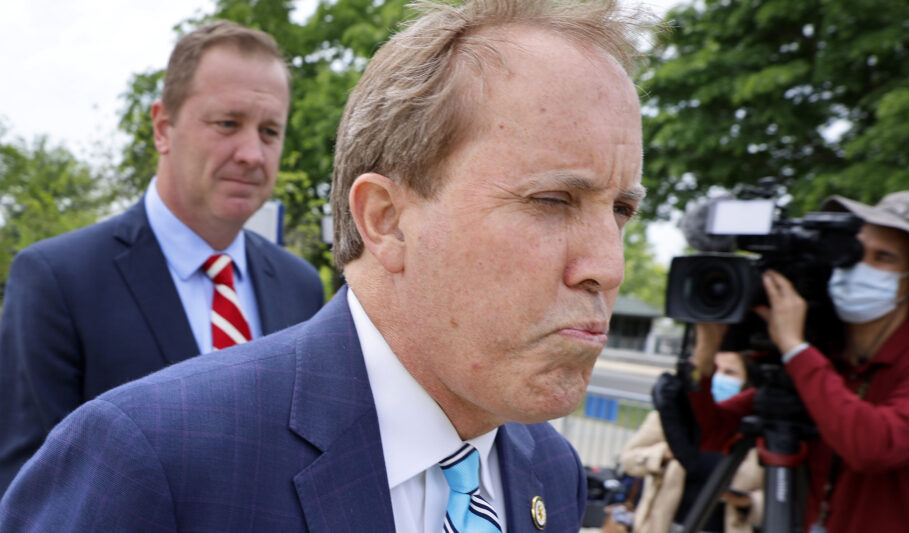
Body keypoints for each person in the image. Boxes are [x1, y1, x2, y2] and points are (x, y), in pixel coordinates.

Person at [0, 0, 649, 530]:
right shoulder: (142, 459)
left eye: (620, 209)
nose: (608, 266)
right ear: (386, 219)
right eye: (553, 200)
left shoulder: (552, 471)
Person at [0, 21, 324, 494]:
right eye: (228, 123)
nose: (252, 153)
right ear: (162, 128)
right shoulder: (57, 280)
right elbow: (28, 490)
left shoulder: (300, 285)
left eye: (270, 131)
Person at [684, 191, 909, 532]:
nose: (861, 267)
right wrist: (706, 351)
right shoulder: (827, 360)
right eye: (852, 254)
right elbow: (710, 433)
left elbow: (873, 446)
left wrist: (795, 348)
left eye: (883, 257)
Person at [622, 348, 761, 533]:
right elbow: (629, 460)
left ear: (747, 381)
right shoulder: (672, 417)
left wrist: (748, 502)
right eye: (714, 369)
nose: (719, 377)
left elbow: (782, 496)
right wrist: (664, 453)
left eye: (730, 372)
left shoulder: (757, 429)